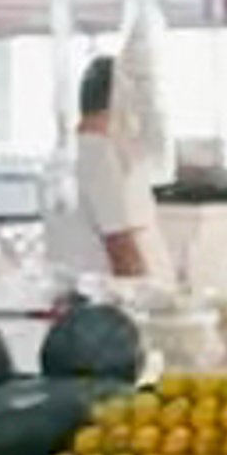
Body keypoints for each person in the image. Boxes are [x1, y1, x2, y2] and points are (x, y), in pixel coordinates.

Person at [52, 49, 158, 295]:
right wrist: (148, 297)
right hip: (98, 296)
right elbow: (118, 242)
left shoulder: (62, 153)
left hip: (68, 292)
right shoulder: (97, 155)